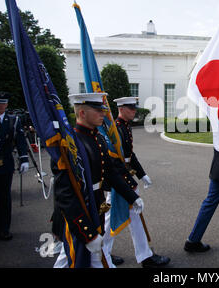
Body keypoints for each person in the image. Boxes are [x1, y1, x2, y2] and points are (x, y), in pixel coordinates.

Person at [52, 93, 144, 268]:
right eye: (97, 110)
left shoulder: (98, 138)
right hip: (78, 214)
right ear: (82, 113)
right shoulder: (69, 145)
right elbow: (65, 194)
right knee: (70, 260)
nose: (103, 114)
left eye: (103, 110)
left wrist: (132, 196)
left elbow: (112, 173)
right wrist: (87, 233)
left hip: (95, 208)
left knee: (82, 260)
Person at [105, 96, 170, 268]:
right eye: (131, 108)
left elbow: (129, 155)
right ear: (121, 109)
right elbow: (114, 161)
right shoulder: (116, 129)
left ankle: (141, 255)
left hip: (123, 175)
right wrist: (129, 183)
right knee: (110, 217)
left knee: (120, 216)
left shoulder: (125, 126)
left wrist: (142, 175)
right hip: (119, 178)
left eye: (135, 108)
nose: (134, 111)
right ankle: (103, 254)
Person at [0, 92, 29, 242]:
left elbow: (20, 140)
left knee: (5, 198)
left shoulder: (13, 121)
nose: (1, 106)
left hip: (6, 165)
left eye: (4, 103)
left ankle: (3, 229)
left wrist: (24, 159)